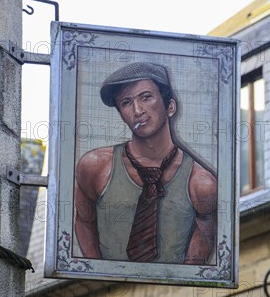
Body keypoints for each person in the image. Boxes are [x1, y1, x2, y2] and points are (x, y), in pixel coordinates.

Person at [75, 62, 217, 265]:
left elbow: (195, 264)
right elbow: (84, 221)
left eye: (146, 97)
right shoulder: (95, 167)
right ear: (121, 115)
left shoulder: (201, 184)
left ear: (170, 106)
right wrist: (100, 278)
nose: (137, 110)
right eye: (125, 102)